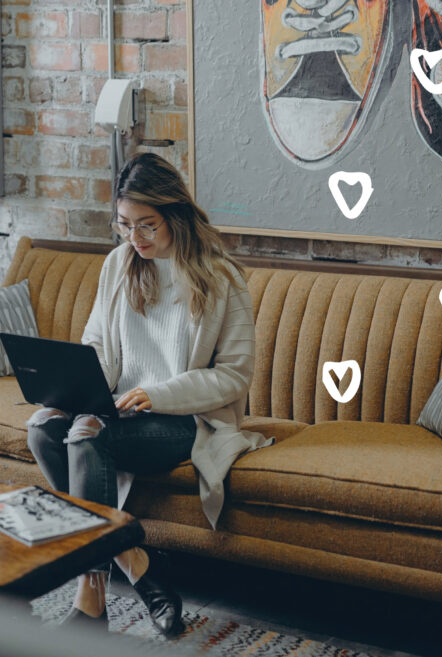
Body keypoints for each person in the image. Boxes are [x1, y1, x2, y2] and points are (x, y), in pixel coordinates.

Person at [26, 152, 272, 636]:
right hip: (117, 406)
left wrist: (156, 394)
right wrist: (74, 388)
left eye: (147, 226)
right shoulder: (119, 264)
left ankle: (90, 599)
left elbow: (234, 376)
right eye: (124, 225)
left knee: (86, 436)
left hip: (183, 419)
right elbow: (96, 342)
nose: (134, 239)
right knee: (44, 427)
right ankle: (137, 561)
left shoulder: (222, 278)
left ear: (175, 216)